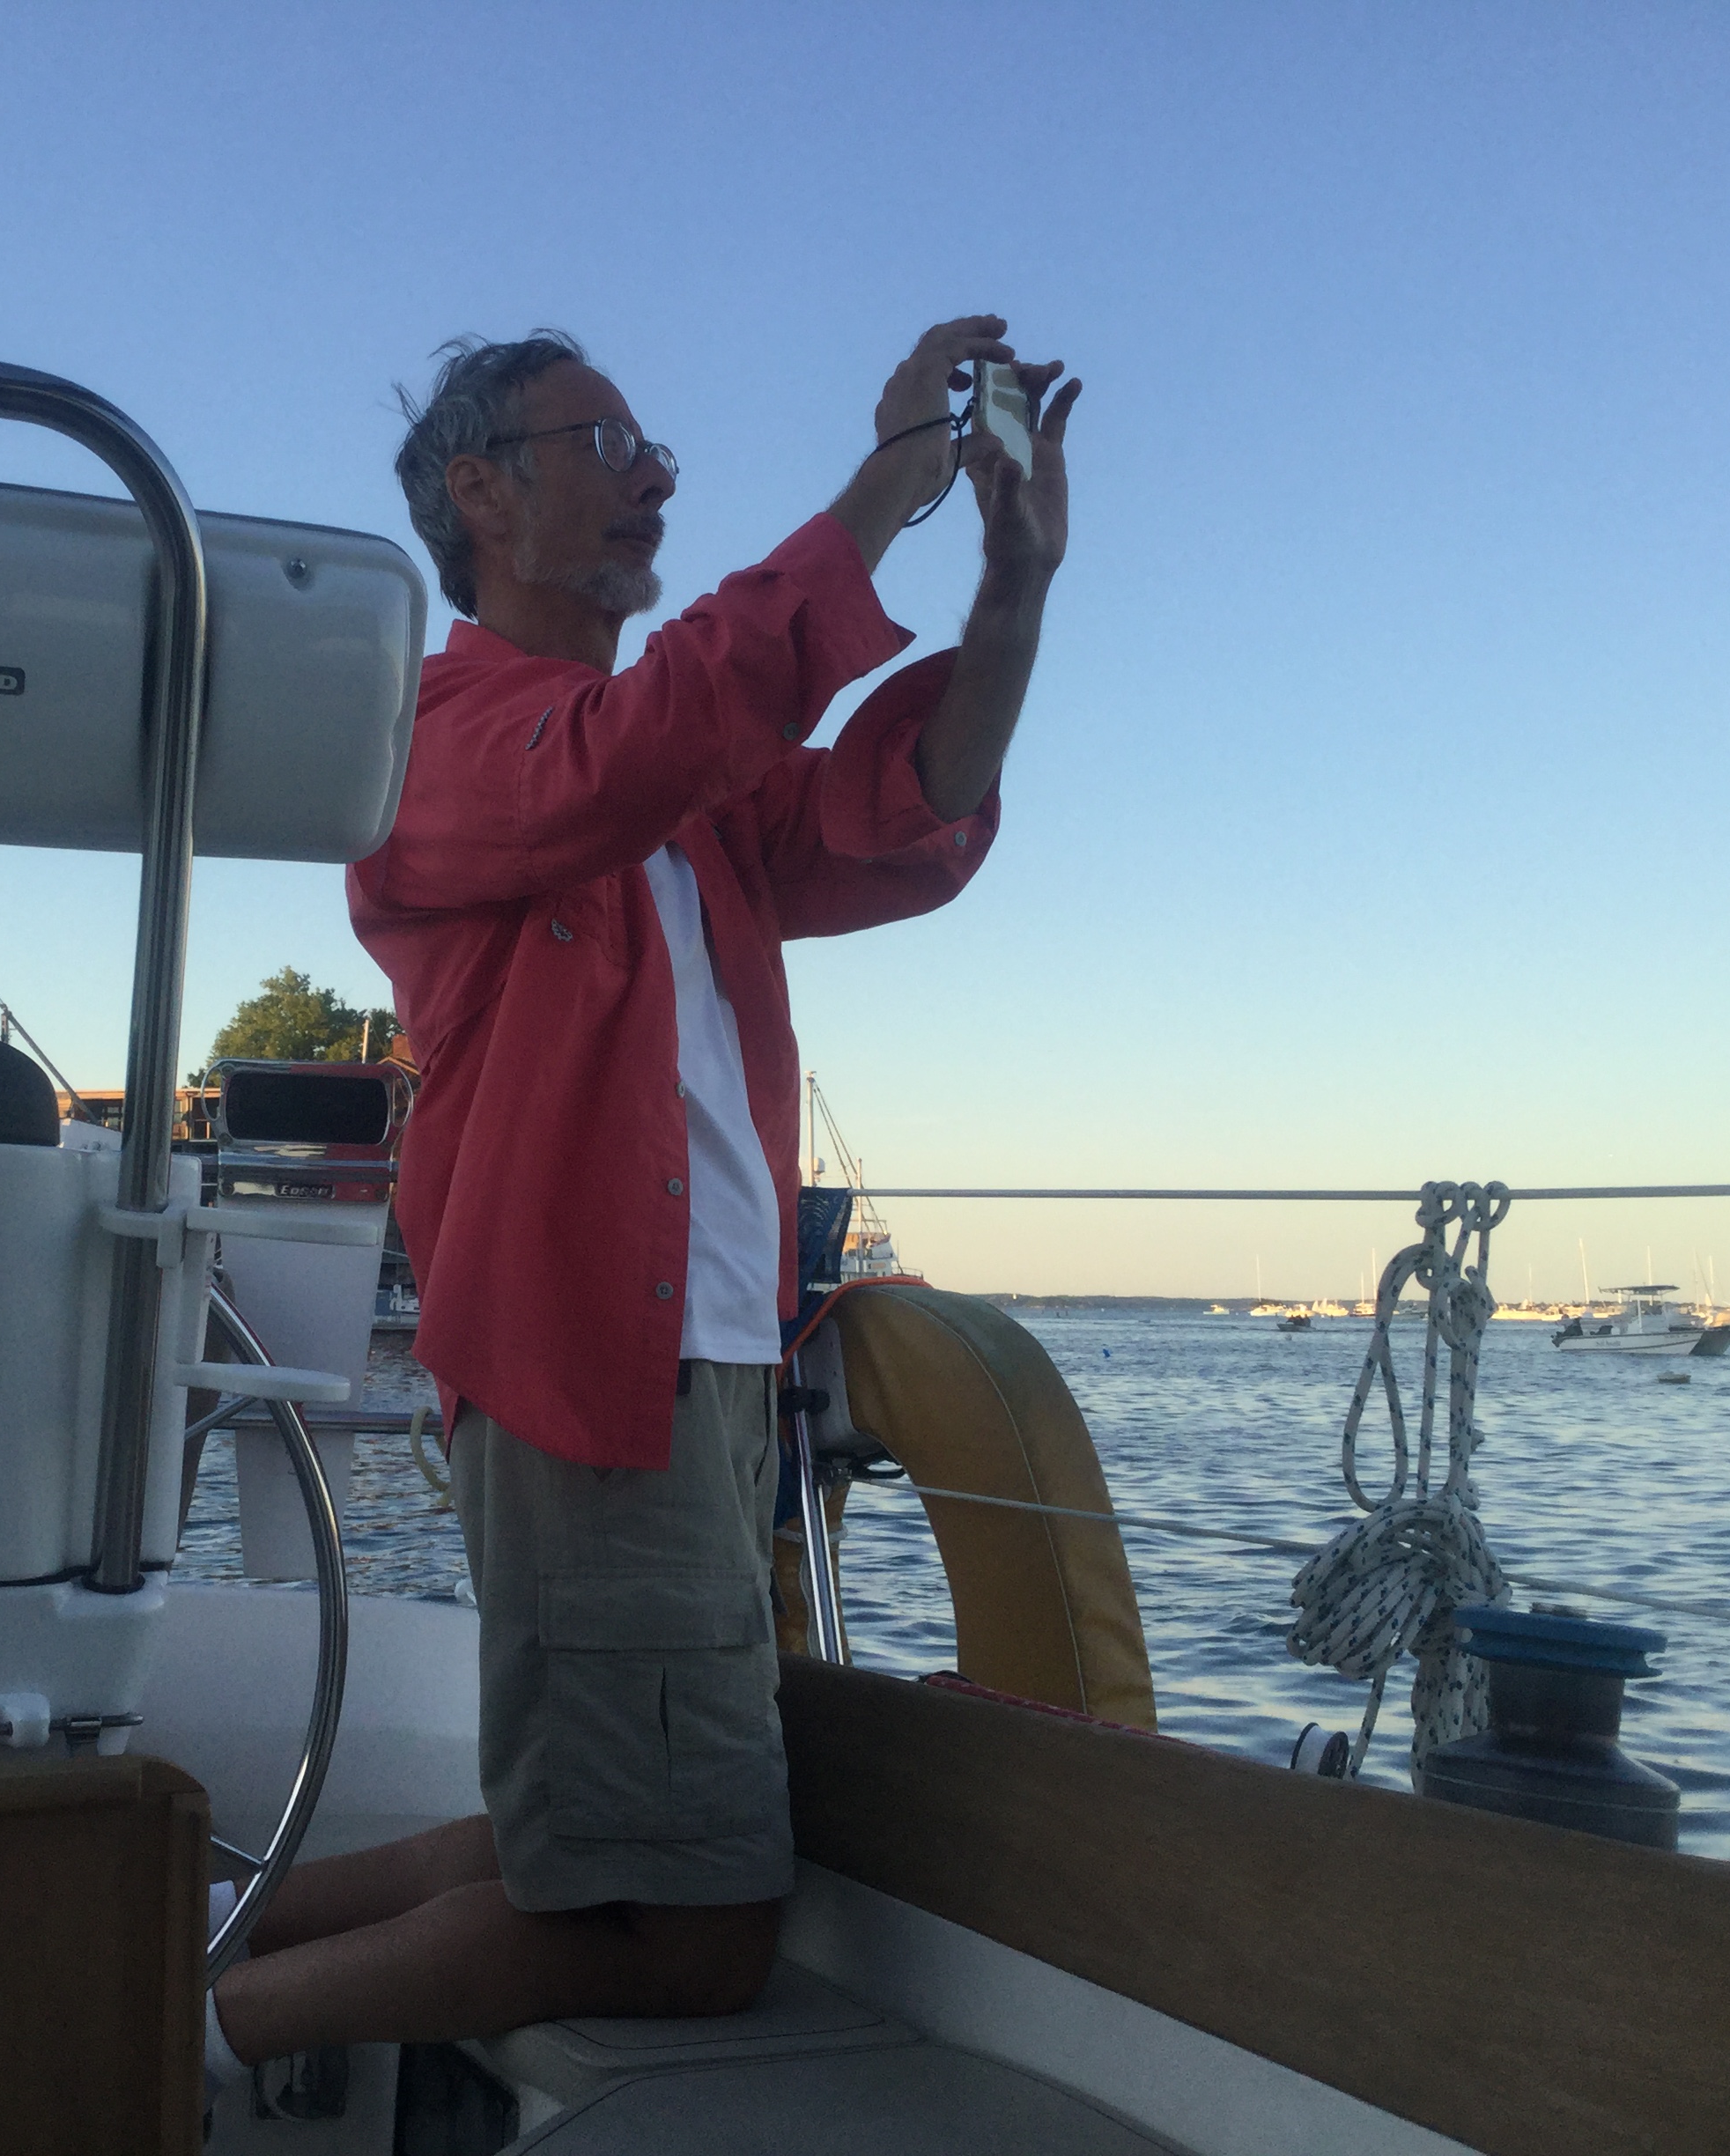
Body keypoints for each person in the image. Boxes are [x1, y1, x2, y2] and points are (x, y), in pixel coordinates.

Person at [205, 316, 1077, 2078]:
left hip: (705, 1374)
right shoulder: (436, 733)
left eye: (652, 446)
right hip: (601, 1376)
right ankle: (185, 2053)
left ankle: (183, 1957)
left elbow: (893, 815)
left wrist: (1012, 594)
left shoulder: (677, 780)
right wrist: (895, 482)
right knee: (685, 1939)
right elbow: (645, 740)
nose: (657, 474)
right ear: (482, 494)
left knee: (597, 1856)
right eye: (606, 445)